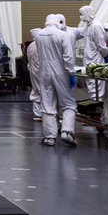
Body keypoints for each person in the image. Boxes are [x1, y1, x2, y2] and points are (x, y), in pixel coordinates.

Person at [35, 14, 77, 146]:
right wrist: (71, 74)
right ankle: (67, 132)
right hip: (60, 72)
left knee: (47, 104)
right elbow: (68, 57)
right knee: (69, 103)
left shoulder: (38, 35)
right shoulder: (62, 35)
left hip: (44, 72)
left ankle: (49, 137)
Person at [78, 5, 108, 101]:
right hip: (89, 61)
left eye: (81, 14)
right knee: (91, 87)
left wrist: (105, 54)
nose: (80, 16)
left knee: (97, 88)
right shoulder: (88, 26)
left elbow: (101, 45)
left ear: (88, 13)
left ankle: (97, 109)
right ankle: (94, 108)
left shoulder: (96, 26)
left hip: (96, 61)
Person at [27, 28, 44, 121]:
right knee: (44, 91)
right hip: (41, 72)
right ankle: (43, 112)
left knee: (35, 91)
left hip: (32, 72)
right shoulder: (41, 45)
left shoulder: (30, 46)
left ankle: (37, 113)